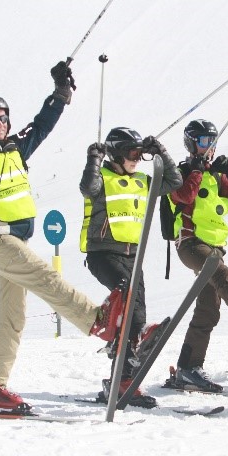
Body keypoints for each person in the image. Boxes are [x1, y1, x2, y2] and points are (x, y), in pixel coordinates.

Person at [0, 62, 105, 411]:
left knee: (14, 315)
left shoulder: (15, 149)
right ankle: (100, 323)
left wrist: (60, 94)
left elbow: (42, 125)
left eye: (3, 118)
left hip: (17, 239)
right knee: (44, 276)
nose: (0, 124)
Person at [79, 127, 182, 407]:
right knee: (125, 295)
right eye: (131, 153)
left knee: (136, 316)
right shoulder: (102, 177)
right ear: (116, 153)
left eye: (139, 153)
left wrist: (161, 152)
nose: (136, 159)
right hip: (102, 254)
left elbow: (174, 182)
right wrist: (94, 159)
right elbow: (87, 188)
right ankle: (119, 339)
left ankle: (123, 378)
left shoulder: (142, 181)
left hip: (132, 257)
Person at [163, 119, 228, 393]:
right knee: (220, 274)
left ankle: (188, 369)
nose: (209, 147)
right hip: (190, 244)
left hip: (214, 247)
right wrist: (195, 170)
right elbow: (184, 196)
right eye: (204, 141)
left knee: (208, 309)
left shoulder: (217, 176)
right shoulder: (180, 172)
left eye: (212, 141)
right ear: (192, 143)